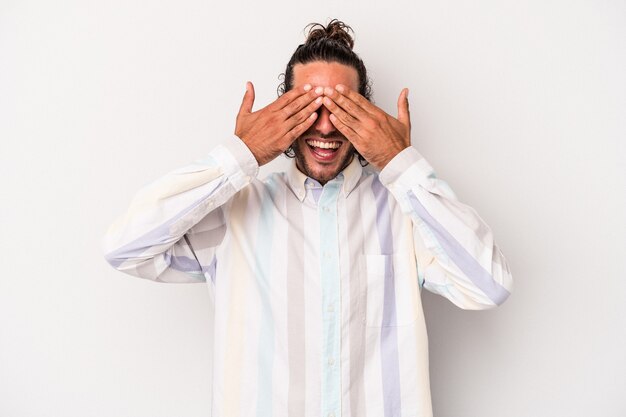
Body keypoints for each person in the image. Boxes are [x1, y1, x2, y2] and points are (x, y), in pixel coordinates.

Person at [102, 19, 512, 417]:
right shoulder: (233, 213)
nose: (325, 125)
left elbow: (488, 285)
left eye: (342, 108)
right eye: (307, 107)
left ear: (365, 114)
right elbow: (126, 247)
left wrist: (399, 163)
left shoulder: (405, 212)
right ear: (281, 113)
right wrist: (241, 155)